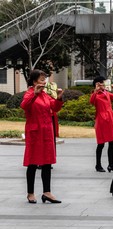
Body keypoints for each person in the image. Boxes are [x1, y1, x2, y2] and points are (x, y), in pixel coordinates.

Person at [21, 69, 64, 204]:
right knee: (32, 163)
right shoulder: (29, 94)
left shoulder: (45, 95)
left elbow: (55, 108)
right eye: (41, 79)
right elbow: (24, 106)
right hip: (34, 132)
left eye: (44, 79)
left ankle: (47, 192)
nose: (44, 82)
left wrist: (59, 97)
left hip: (46, 132)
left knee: (47, 162)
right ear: (34, 82)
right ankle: (30, 193)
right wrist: (34, 94)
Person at [89, 76, 113, 172]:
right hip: (101, 120)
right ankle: (98, 165)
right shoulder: (95, 94)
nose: (103, 84)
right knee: (101, 143)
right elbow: (91, 102)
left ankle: (111, 164)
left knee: (112, 142)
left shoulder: (106, 92)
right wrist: (95, 91)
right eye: (101, 83)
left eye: (103, 83)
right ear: (97, 84)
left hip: (110, 119)